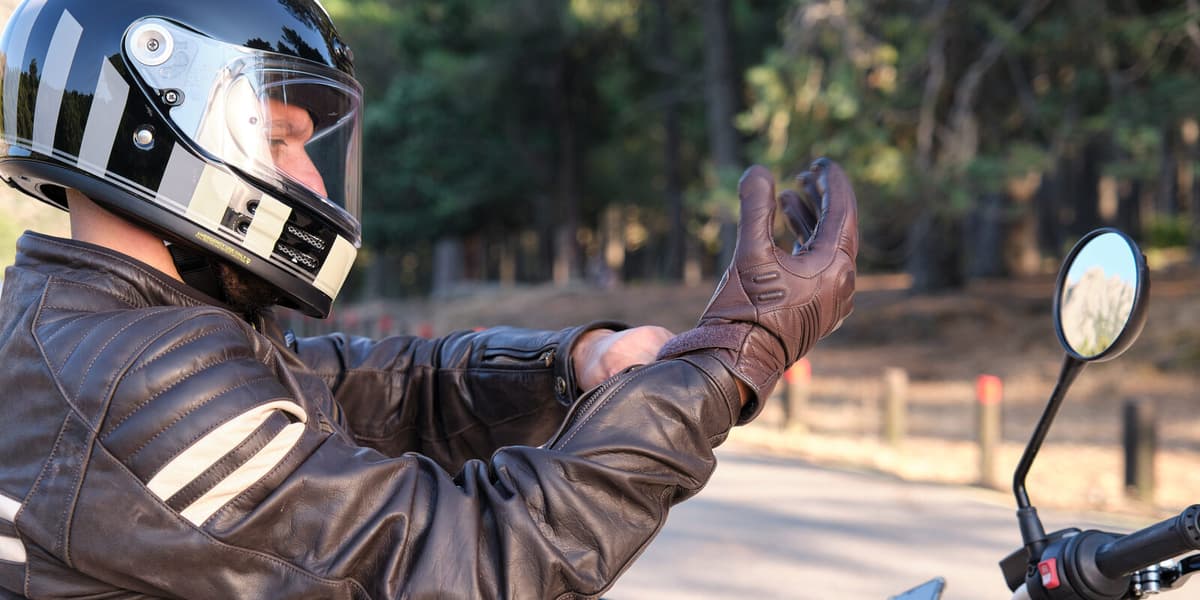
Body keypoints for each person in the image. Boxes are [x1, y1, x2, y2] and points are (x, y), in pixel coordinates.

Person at [0, 0, 857, 598]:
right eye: (276, 138)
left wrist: (573, 365)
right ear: (149, 123)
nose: (305, 175)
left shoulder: (97, 326)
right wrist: (734, 357)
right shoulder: (127, 376)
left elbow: (358, 390)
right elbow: (479, 567)